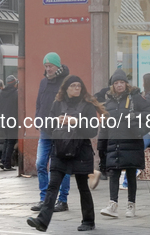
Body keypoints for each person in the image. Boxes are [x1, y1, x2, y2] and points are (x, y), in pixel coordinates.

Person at [27, 75, 107, 232]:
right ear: (66, 88)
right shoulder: (57, 104)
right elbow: (48, 126)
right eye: (73, 85)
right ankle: (42, 221)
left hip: (80, 151)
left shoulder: (87, 106)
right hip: (60, 150)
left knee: (83, 187)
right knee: (53, 186)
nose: (77, 88)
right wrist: (58, 121)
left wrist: (75, 122)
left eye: (79, 86)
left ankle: (89, 221)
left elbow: (92, 130)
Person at [98, 69, 150, 218]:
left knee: (130, 173)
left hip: (131, 141)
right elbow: (105, 124)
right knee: (114, 173)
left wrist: (138, 123)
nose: (119, 85)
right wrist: (101, 144)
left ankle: (131, 205)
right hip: (114, 142)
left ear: (126, 83)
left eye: (121, 82)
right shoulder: (108, 102)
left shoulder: (135, 98)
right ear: (112, 85)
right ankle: (112, 205)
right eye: (116, 83)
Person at [31, 52, 71, 213]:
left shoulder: (66, 82)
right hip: (45, 130)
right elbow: (39, 103)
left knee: (62, 166)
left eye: (51, 66)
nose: (48, 69)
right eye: (46, 66)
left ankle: (62, 200)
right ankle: (44, 199)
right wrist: (37, 118)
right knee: (40, 164)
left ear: (57, 66)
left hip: (61, 131)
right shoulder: (43, 82)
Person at [0, 75, 18, 171]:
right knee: (11, 142)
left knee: (7, 140)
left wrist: (1, 116)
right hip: (13, 120)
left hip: (3, 120)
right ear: (14, 84)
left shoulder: (0, 94)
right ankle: (7, 164)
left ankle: (4, 161)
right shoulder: (16, 93)